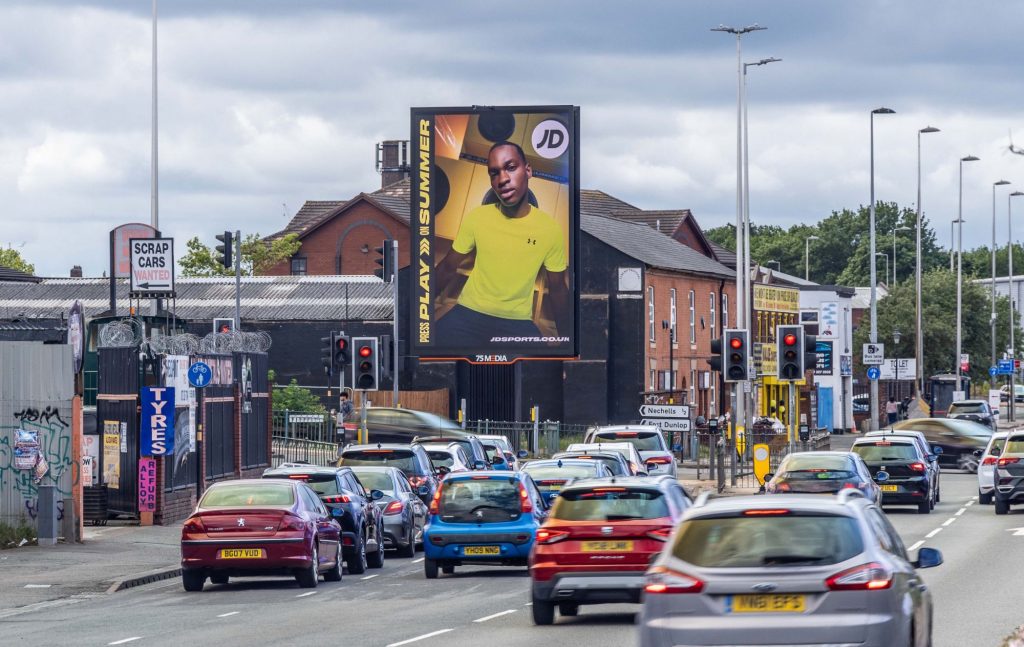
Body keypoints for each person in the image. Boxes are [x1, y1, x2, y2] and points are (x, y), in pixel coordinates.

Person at [434, 141, 570, 348]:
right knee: (427, 351)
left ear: (528, 171)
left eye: (511, 167)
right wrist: (417, 314)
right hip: (468, 314)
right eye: (494, 173)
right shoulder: (477, 217)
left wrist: (568, 345)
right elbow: (447, 267)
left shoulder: (550, 229)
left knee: (542, 371)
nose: (502, 179)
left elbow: (558, 289)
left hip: (517, 324)